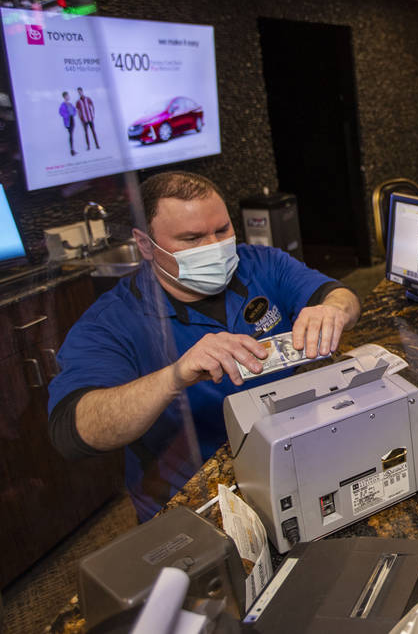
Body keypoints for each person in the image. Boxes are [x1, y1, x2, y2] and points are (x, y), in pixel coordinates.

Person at [47, 171, 361, 520]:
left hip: (295, 457)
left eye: (222, 230)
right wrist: (174, 377)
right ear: (146, 244)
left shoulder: (260, 263)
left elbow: (340, 295)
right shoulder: (112, 321)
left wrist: (332, 310)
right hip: (197, 501)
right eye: (192, 238)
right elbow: (76, 431)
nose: (214, 247)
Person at [75, 86, 99, 151]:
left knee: (93, 132)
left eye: (80, 91)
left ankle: (97, 144)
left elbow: (92, 107)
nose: (80, 93)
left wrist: (93, 115)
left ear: (82, 91)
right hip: (84, 120)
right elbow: (78, 112)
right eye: (78, 92)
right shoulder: (78, 102)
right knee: (86, 133)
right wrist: (81, 120)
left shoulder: (88, 99)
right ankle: (88, 146)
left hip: (90, 118)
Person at [58, 91, 76, 156]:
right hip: (68, 121)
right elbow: (61, 113)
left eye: (68, 96)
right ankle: (72, 150)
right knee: (70, 135)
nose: (68, 97)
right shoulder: (62, 105)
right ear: (65, 97)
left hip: (72, 120)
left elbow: (74, 111)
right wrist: (67, 115)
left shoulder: (70, 104)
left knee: (71, 135)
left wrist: (73, 114)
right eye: (67, 96)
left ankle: (72, 149)